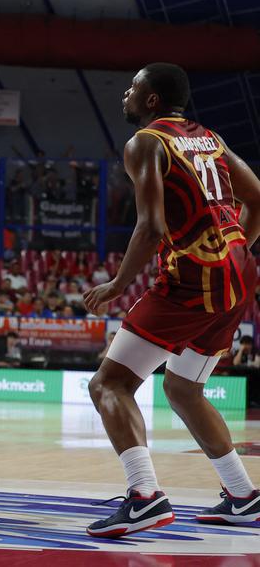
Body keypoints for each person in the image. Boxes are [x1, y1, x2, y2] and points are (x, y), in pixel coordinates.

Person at [83, 63, 260, 537]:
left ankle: (144, 497)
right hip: (240, 276)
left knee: (108, 385)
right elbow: (258, 196)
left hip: (193, 280)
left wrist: (118, 285)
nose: (126, 93)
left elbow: (151, 227)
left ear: (152, 101)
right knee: (182, 388)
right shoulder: (209, 139)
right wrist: (237, 247)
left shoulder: (147, 142)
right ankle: (243, 495)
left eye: (133, 88)